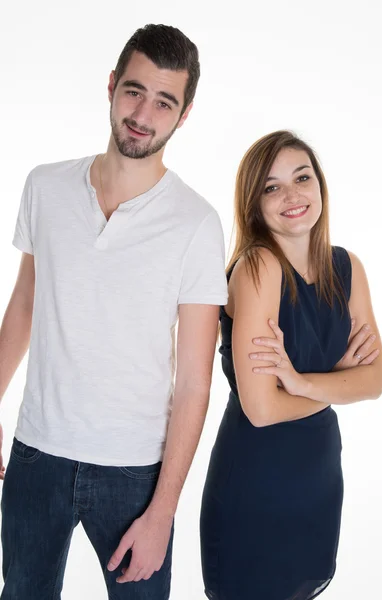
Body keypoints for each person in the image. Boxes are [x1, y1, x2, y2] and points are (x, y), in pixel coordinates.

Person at [0, 24, 228, 600]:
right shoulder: (45, 187)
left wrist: (162, 513)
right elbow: (25, 304)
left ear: (185, 113)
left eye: (164, 102)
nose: (143, 114)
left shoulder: (195, 224)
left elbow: (195, 381)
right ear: (110, 85)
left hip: (134, 474)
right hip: (35, 456)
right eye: (134, 90)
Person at [200, 130, 382, 600]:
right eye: (272, 186)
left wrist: (299, 383)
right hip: (256, 482)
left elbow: (376, 381)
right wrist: (336, 384)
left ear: (320, 184)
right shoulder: (258, 266)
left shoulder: (348, 267)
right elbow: (261, 411)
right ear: (254, 203)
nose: (292, 195)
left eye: (302, 177)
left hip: (318, 477)